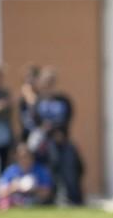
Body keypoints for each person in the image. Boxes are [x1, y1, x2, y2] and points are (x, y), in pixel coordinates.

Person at [32, 67, 83, 205]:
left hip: (63, 139)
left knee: (70, 167)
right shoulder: (39, 101)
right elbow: (36, 120)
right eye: (46, 81)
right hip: (45, 142)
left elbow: (68, 117)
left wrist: (60, 132)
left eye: (51, 81)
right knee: (49, 169)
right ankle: (50, 198)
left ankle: (74, 198)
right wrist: (47, 130)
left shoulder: (63, 100)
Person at [0, 142, 52, 210]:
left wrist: (34, 189)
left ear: (32, 157)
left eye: (26, 156)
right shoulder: (11, 171)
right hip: (14, 202)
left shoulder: (40, 170)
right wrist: (13, 187)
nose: (24, 160)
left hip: (35, 203)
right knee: (3, 202)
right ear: (16, 158)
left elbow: (47, 192)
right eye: (21, 157)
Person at [0, 60, 13, 183]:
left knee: (3, 168)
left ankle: (1, 195)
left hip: (3, 137)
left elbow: (9, 114)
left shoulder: (5, 92)